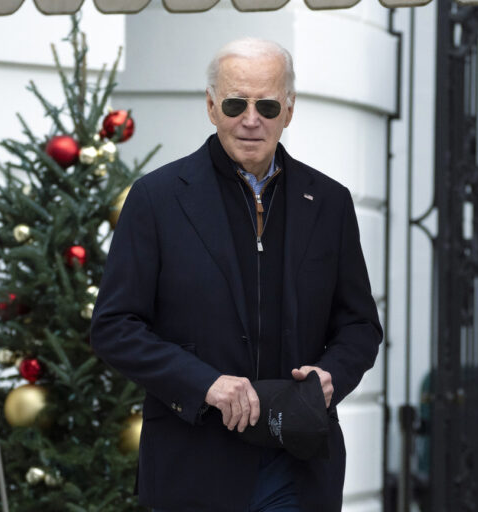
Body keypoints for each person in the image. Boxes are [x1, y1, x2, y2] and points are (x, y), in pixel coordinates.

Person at [90, 37, 382, 512]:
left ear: (289, 110)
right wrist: (205, 383)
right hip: (194, 464)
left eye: (267, 105)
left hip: (299, 462)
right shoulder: (156, 199)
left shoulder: (330, 202)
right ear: (211, 106)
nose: (251, 119)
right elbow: (114, 327)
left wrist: (331, 376)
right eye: (235, 103)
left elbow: (359, 325)